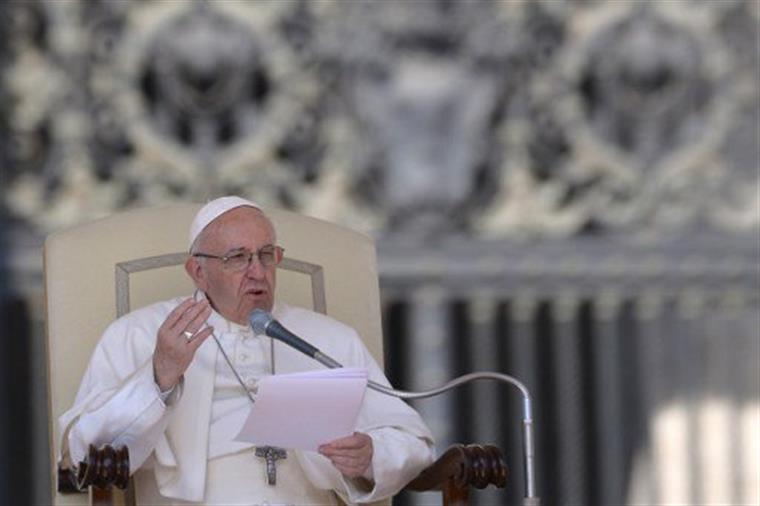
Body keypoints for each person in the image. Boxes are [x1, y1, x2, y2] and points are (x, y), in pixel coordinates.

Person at [58, 197, 435, 505]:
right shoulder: (140, 334)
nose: (257, 272)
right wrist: (158, 377)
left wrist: (371, 457)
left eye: (266, 255)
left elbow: (412, 441)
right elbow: (81, 452)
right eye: (237, 258)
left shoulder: (329, 338)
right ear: (198, 271)